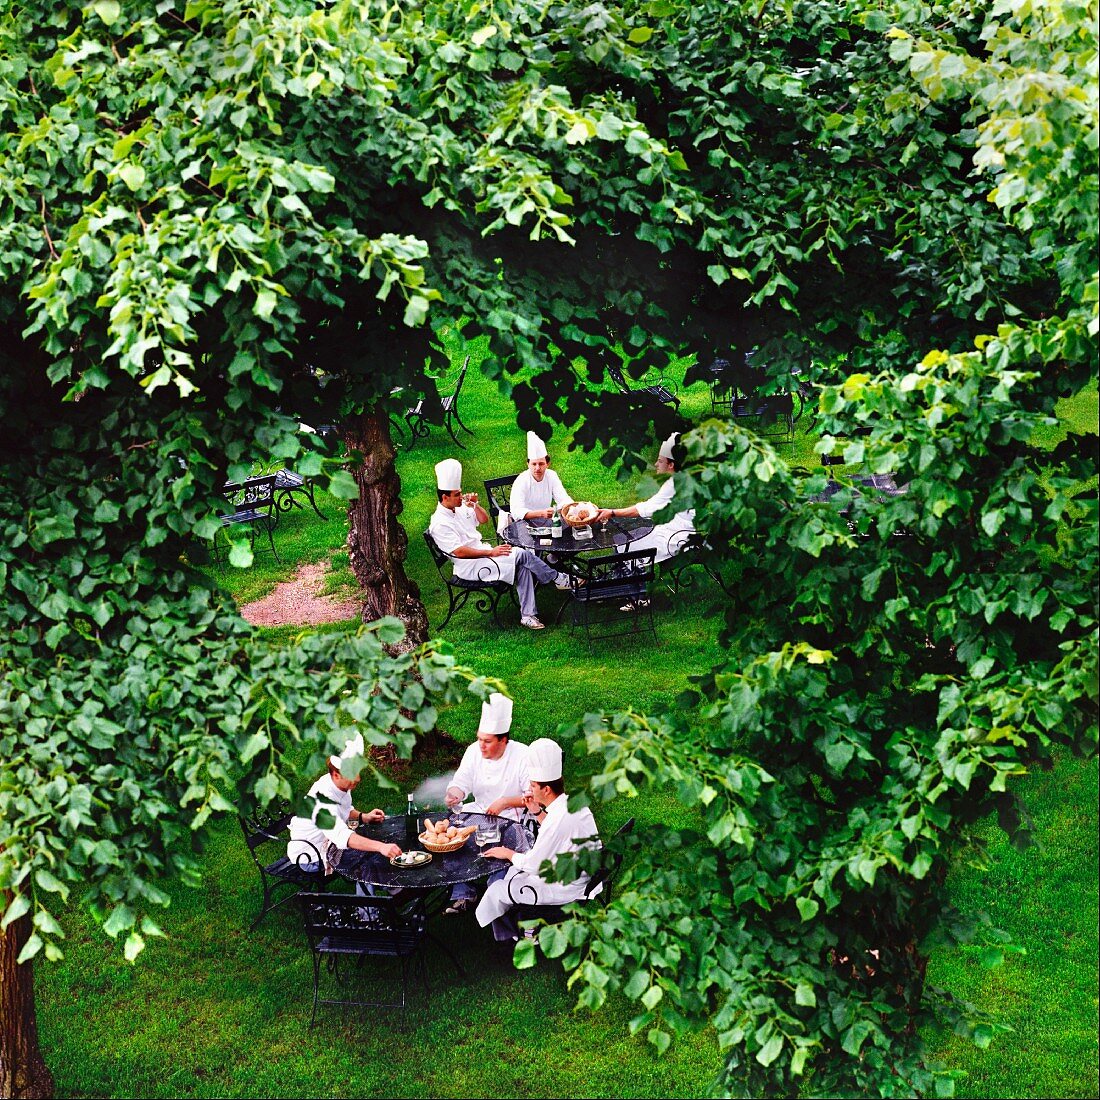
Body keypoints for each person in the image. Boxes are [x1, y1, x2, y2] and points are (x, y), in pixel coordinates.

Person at [475, 738, 601, 942]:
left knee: (498, 888)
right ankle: (524, 927)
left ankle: (513, 937)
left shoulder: (558, 819)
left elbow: (534, 864)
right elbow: (558, 831)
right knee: (512, 873)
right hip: (579, 873)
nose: (530, 790)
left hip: (567, 887)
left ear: (546, 790)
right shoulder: (571, 804)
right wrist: (535, 811)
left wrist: (507, 853)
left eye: (533, 786)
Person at [427, 457, 571, 631]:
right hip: (471, 566)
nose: (460, 497)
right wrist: (491, 553)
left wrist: (475, 505)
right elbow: (458, 552)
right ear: (445, 497)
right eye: (457, 494)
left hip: (483, 554)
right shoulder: (439, 523)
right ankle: (557, 578)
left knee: (523, 564)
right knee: (522, 555)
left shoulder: (458, 508)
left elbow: (484, 519)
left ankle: (528, 616)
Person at [442, 693, 530, 915]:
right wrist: (455, 794)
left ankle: (496, 892)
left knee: (500, 846)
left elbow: (534, 798)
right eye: (479, 739)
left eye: (487, 741)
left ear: (503, 740)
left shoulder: (522, 755)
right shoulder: (474, 751)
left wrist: (505, 801)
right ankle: (463, 892)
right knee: (454, 838)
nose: (481, 746)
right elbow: (460, 783)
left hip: (512, 817)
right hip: (479, 812)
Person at [286, 734, 402, 874]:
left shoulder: (339, 784)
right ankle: (383, 894)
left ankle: (389, 891)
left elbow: (344, 809)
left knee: (377, 841)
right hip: (311, 855)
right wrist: (381, 847)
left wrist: (364, 817)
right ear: (336, 775)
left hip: (329, 840)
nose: (358, 778)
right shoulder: (323, 800)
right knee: (369, 859)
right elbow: (342, 837)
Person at [595, 432, 695, 564]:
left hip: (680, 537)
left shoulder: (674, 483)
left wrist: (612, 513)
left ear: (671, 465)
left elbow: (647, 508)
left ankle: (629, 579)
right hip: (678, 529)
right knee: (627, 540)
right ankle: (627, 574)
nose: (656, 464)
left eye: (660, 461)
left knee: (628, 545)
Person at [508, 431, 575, 525]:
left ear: (547, 464)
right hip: (524, 523)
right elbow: (516, 511)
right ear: (528, 464)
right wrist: (541, 513)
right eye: (534, 464)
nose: (537, 468)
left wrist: (557, 510)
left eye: (541, 464)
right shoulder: (521, 480)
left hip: (546, 522)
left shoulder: (551, 475)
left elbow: (564, 499)